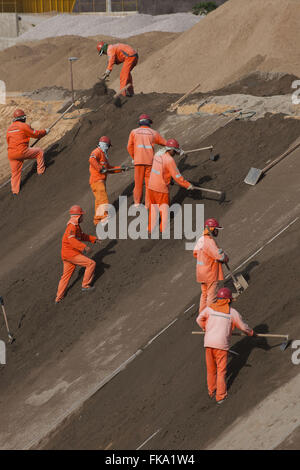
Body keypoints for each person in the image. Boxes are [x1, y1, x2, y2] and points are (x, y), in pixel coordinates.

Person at [196, 287, 255, 404]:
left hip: (208, 343)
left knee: (211, 369)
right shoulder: (232, 313)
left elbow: (199, 319)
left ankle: (212, 391)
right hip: (221, 345)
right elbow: (244, 328)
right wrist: (251, 333)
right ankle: (220, 396)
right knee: (221, 370)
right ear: (229, 300)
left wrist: (205, 327)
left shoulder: (210, 309)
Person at [55, 205, 101, 303]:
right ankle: (85, 285)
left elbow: (81, 236)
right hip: (71, 254)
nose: (83, 217)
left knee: (65, 276)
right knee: (91, 263)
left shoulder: (75, 226)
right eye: (82, 215)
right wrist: (84, 247)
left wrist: (94, 239)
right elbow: (72, 240)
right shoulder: (72, 227)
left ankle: (58, 297)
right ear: (78, 216)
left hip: (66, 255)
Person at [148, 138, 193, 233]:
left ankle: (150, 228)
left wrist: (169, 179)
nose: (175, 154)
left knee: (153, 208)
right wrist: (188, 185)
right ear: (171, 150)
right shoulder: (169, 160)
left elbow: (162, 170)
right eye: (175, 152)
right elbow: (178, 177)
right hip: (161, 188)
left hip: (151, 186)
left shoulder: (157, 154)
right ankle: (163, 229)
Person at [127, 114, 166, 208]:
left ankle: (137, 202)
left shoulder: (134, 132)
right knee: (149, 184)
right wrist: (178, 149)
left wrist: (134, 157)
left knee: (138, 183)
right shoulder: (153, 132)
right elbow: (165, 143)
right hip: (150, 162)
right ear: (148, 122)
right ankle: (148, 205)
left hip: (138, 161)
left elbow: (129, 147)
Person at [6, 109, 49, 195]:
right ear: (22, 118)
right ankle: (40, 171)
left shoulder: (9, 129)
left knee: (15, 173)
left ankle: (15, 191)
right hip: (21, 151)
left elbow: (9, 141)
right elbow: (36, 134)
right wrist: (45, 131)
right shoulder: (23, 126)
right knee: (39, 152)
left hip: (11, 154)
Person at [193, 218, 228, 313]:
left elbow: (195, 253)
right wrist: (224, 257)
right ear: (212, 229)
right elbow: (219, 256)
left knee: (204, 294)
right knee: (212, 295)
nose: (217, 231)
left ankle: (202, 316)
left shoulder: (200, 239)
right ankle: (209, 316)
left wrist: (207, 257)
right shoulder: (209, 241)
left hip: (201, 272)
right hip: (210, 272)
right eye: (216, 229)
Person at [89, 136, 126, 226]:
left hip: (99, 181)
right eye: (108, 146)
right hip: (97, 180)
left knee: (98, 201)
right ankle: (104, 217)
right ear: (105, 145)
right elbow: (91, 159)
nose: (109, 148)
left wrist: (121, 168)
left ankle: (97, 220)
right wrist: (100, 169)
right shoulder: (97, 151)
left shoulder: (104, 156)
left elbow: (109, 168)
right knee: (103, 199)